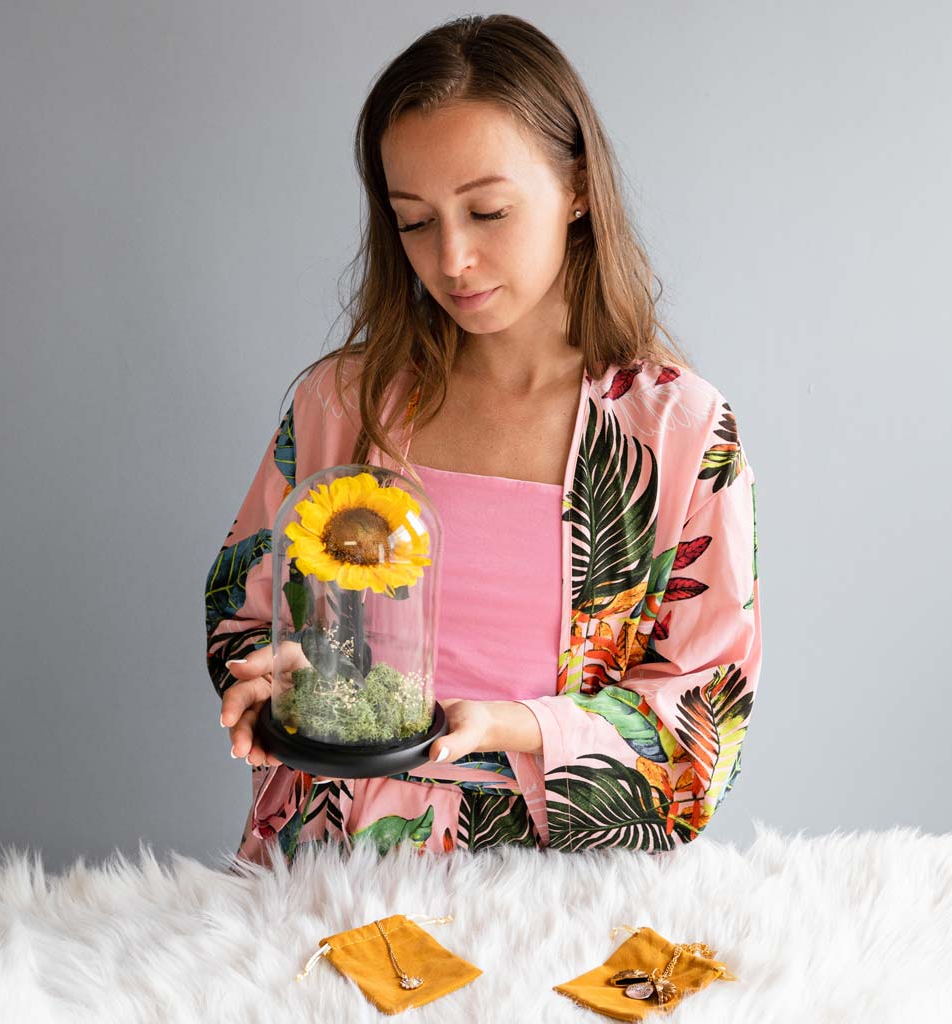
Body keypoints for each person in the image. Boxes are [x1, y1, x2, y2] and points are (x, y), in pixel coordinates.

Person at [204, 14, 762, 866]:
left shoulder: (676, 431)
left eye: (488, 210)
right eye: (414, 221)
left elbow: (705, 717)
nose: (453, 258)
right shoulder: (341, 404)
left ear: (576, 188)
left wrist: (516, 726)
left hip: (554, 892)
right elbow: (244, 603)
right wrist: (267, 676)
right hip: (330, 872)